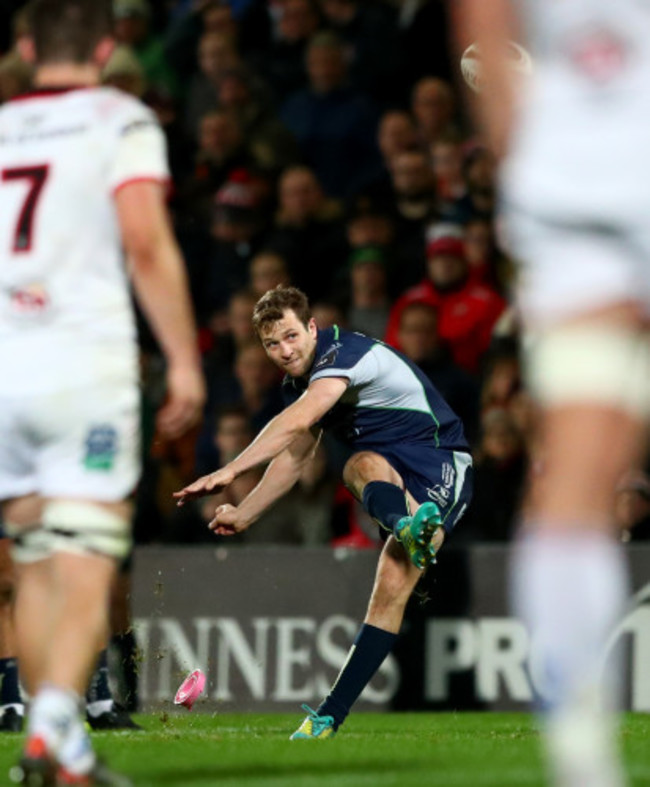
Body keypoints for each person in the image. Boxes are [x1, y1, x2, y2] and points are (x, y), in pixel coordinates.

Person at [0, 0, 205, 784]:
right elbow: (146, 241)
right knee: (88, 550)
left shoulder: (6, 124)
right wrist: (184, 358)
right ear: (110, 46)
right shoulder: (120, 118)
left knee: (34, 558)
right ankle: (56, 728)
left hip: (7, 370)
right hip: (80, 363)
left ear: (25, 48)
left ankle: (53, 741)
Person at [456, 1, 650, 785]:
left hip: (580, 192)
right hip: (588, 198)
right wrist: (524, 158)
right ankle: (580, 751)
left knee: (582, 475)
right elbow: (486, 24)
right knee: (583, 472)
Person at [175, 285, 473, 738]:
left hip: (440, 462)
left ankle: (410, 527)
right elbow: (295, 456)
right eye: (271, 344)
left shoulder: (341, 354)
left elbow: (295, 422)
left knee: (366, 493)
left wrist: (231, 470)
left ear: (312, 327)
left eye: (292, 336)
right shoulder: (301, 381)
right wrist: (246, 512)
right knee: (361, 477)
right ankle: (329, 719)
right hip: (391, 475)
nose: (284, 351)